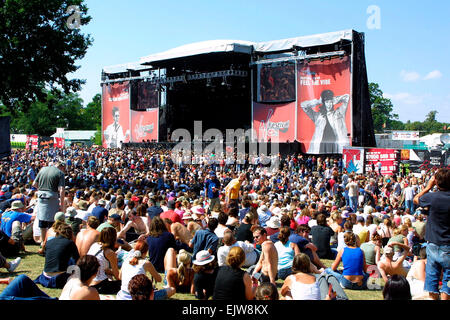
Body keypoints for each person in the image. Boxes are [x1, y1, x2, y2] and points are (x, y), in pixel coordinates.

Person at [413, 169, 450, 300]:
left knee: (432, 278)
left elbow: (416, 199)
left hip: (433, 243)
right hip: (448, 245)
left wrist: (428, 186)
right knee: (448, 280)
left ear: (437, 182)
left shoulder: (432, 197)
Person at [32, 162, 66, 254]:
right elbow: (62, 190)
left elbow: (34, 184)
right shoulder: (60, 173)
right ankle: (50, 244)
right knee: (52, 223)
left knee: (42, 222)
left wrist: (42, 190)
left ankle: (43, 242)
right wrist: (61, 205)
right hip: (52, 197)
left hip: (41, 197)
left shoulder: (42, 169)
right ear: (61, 167)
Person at [281, 253, 346, 300]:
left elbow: (283, 292)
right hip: (329, 291)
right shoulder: (316, 278)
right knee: (329, 279)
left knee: (286, 294)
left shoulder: (291, 278)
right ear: (308, 265)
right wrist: (316, 270)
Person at [34, 223, 80, 289]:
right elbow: (77, 261)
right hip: (60, 278)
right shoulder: (70, 243)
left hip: (45, 276)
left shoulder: (49, 242)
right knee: (73, 262)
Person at [87, 227, 122, 294]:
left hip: (89, 281)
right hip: (99, 285)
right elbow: (117, 276)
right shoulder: (109, 252)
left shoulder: (94, 245)